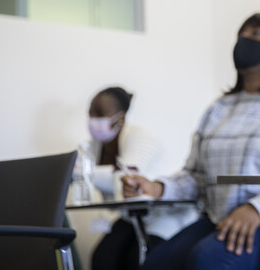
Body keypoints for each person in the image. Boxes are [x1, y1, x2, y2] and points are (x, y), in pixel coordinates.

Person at [123, 12, 260, 270]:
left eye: (257, 34)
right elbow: (198, 176)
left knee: (208, 261)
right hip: (223, 218)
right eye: (242, 35)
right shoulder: (220, 108)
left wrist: (258, 207)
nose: (244, 40)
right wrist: (157, 188)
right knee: (155, 264)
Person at [82, 86, 196, 270]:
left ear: (120, 117)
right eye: (91, 113)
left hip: (165, 214)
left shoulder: (141, 137)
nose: (94, 119)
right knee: (102, 258)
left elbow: (126, 181)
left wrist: (86, 173)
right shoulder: (96, 147)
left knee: (135, 260)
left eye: (100, 113)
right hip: (133, 216)